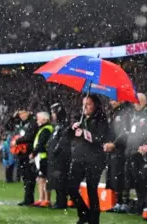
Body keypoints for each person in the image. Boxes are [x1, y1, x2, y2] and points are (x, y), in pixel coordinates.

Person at [67, 94, 109, 224]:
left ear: (95, 105)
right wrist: (72, 128)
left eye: (88, 104)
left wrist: (85, 133)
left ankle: (94, 220)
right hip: (79, 158)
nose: (85, 107)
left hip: (95, 159)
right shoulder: (80, 118)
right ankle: (84, 213)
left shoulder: (101, 119)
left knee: (92, 190)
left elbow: (100, 140)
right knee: (70, 187)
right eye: (84, 104)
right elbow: (69, 136)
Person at [103, 99, 132, 213]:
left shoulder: (125, 113)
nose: (111, 101)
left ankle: (124, 202)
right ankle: (117, 202)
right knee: (114, 174)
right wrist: (106, 142)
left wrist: (114, 144)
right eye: (111, 99)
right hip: (113, 150)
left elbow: (125, 132)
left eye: (114, 99)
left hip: (121, 150)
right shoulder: (113, 113)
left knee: (120, 175)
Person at [5, 108, 38, 206]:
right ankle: (27, 198)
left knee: (29, 176)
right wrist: (12, 117)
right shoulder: (20, 122)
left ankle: (29, 199)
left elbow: (30, 136)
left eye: (22, 113)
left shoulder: (32, 122)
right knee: (25, 176)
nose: (21, 115)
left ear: (28, 112)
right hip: (21, 153)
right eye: (19, 114)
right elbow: (7, 126)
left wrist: (18, 141)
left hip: (28, 152)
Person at [47, 102, 70, 209]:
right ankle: (58, 201)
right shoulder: (58, 126)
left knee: (60, 180)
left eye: (54, 112)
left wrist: (57, 149)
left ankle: (61, 202)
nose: (52, 115)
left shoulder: (65, 125)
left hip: (60, 159)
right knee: (56, 181)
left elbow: (64, 141)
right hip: (54, 158)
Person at [29, 111, 53, 207]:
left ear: (45, 119)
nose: (37, 120)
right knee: (40, 178)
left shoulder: (46, 129)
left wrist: (34, 153)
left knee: (44, 178)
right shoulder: (44, 128)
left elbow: (41, 143)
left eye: (38, 118)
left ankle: (46, 200)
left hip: (44, 157)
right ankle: (41, 199)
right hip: (41, 157)